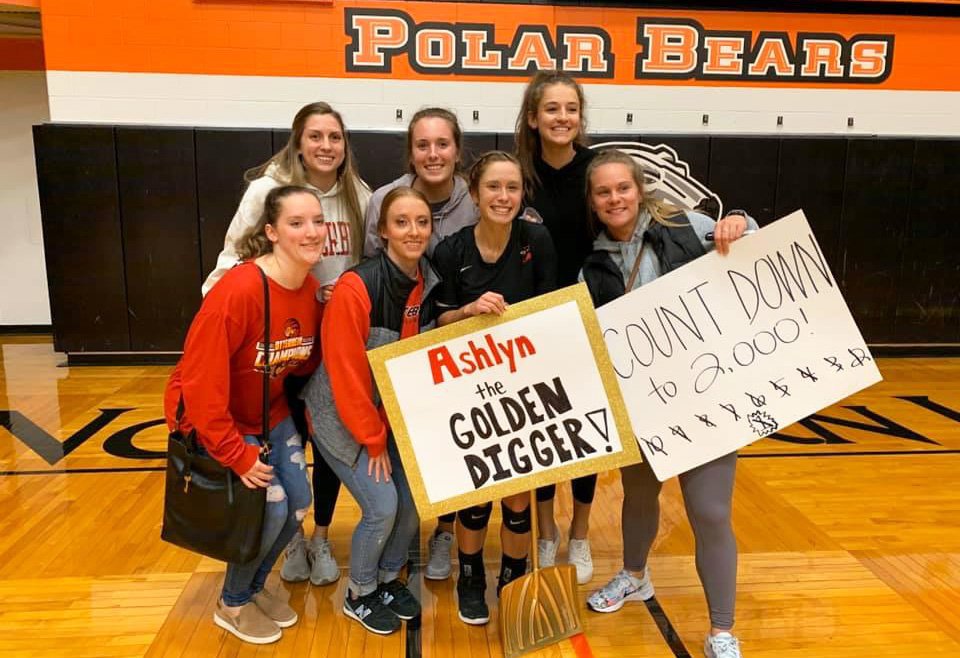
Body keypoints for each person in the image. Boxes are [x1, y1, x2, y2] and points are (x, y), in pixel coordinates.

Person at [580, 149, 755, 658]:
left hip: (707, 397)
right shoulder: (590, 265)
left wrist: (741, 221)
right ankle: (635, 576)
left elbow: (753, 242)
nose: (615, 198)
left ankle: (722, 629)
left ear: (640, 189)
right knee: (638, 495)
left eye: (623, 188)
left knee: (709, 511)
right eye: (603, 191)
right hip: (643, 404)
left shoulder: (687, 225)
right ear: (592, 201)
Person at [203, 102, 372, 588]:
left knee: (328, 442)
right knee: (283, 442)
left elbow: (362, 264)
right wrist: (235, 316)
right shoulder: (267, 190)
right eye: (315, 136)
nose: (325, 146)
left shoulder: (356, 194)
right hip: (274, 336)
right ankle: (288, 541)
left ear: (345, 145)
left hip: (325, 338)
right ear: (298, 141)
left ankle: (317, 533)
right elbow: (233, 257)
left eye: (335, 137)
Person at [163, 185, 327, 644]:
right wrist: (235, 454)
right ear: (272, 232)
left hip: (268, 412)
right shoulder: (237, 292)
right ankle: (232, 602)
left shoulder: (311, 289)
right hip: (216, 418)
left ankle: (253, 587)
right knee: (269, 510)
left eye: (317, 221)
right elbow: (198, 387)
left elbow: (303, 362)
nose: (311, 231)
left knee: (298, 504)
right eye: (297, 223)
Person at [302, 187, 438, 635]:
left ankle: (386, 578)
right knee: (382, 506)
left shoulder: (425, 282)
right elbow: (345, 373)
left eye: (421, 221)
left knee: (414, 501)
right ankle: (359, 592)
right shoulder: (356, 286)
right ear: (382, 231)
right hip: (339, 416)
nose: (413, 231)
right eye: (401, 222)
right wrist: (372, 439)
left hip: (385, 414)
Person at [431, 151, 558, 625]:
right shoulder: (452, 249)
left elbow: (552, 311)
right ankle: (470, 578)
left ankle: (513, 577)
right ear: (474, 191)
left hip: (523, 385)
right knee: (475, 495)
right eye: (494, 188)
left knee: (518, 497)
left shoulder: (537, 240)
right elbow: (436, 322)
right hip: (468, 388)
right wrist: (467, 312)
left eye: (512, 188)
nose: (504, 197)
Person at [362, 107, 479, 581]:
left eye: (442, 144)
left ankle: (445, 530)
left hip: (463, 334)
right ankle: (401, 536)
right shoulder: (385, 198)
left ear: (457, 149)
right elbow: (374, 271)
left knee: (457, 442)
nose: (433, 154)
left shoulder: (478, 196)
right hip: (404, 339)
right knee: (405, 445)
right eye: (423, 145)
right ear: (411, 151)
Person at [513, 69, 600, 584]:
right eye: (552, 109)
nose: (562, 117)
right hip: (533, 325)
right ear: (533, 117)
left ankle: (580, 535)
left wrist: (737, 219)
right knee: (544, 435)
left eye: (570, 108)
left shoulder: (598, 168)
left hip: (593, 320)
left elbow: (653, 215)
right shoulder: (517, 175)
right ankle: (545, 531)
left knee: (589, 436)